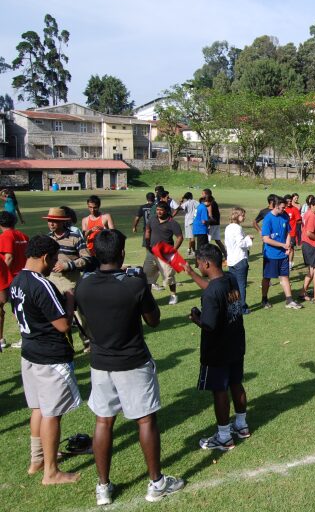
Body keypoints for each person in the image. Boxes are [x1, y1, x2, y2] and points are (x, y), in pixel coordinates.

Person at [75, 230, 185, 504]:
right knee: (145, 419)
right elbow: (154, 320)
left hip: (100, 363)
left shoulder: (84, 285)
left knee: (104, 420)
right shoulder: (133, 284)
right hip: (132, 361)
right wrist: (140, 284)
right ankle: (156, 483)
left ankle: (103, 487)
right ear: (122, 253)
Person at [11, 235, 80, 484]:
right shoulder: (42, 284)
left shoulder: (17, 280)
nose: (53, 265)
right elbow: (62, 325)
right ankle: (51, 471)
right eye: (53, 260)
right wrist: (70, 301)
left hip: (29, 353)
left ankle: (37, 460)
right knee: (52, 413)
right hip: (49, 357)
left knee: (38, 409)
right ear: (45, 257)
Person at [186, 244, 250, 451]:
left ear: (206, 263)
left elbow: (209, 325)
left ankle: (224, 436)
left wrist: (196, 318)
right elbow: (214, 289)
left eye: (198, 264)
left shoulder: (211, 294)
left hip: (217, 351)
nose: (198, 266)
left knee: (219, 391)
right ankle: (241, 425)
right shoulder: (230, 278)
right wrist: (193, 274)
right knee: (236, 383)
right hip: (236, 343)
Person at [260, 195, 301, 309]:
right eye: (282, 207)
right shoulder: (268, 219)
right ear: (276, 206)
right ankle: (264, 299)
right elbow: (266, 239)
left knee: (285, 276)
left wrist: (287, 247)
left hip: (283, 255)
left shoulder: (285, 216)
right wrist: (283, 245)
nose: (284, 209)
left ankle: (289, 300)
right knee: (267, 278)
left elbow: (288, 232)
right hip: (271, 255)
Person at [144, 202, 183, 306]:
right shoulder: (152, 219)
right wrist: (147, 243)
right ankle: (148, 298)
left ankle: (173, 295)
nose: (158, 212)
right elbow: (147, 230)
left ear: (166, 210)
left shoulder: (172, 223)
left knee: (169, 276)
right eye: (157, 210)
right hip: (151, 253)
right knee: (147, 275)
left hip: (165, 255)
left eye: (161, 210)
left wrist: (174, 250)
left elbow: (180, 237)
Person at [0, 211, 28, 349]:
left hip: (11, 278)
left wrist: (3, 273)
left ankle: (3, 339)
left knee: (13, 308)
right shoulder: (23, 235)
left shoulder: (5, 236)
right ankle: (25, 336)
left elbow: (9, 257)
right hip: (24, 275)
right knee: (21, 307)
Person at [224, 207, 253, 315]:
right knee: (241, 285)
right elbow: (241, 243)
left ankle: (234, 305)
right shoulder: (237, 228)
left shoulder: (228, 227)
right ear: (237, 216)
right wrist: (249, 239)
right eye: (243, 215)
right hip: (240, 259)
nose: (244, 217)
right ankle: (242, 307)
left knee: (233, 285)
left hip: (231, 259)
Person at [202, 188, 226, 255]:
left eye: (203, 194)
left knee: (206, 240)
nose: (202, 196)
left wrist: (206, 222)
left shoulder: (210, 203)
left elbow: (210, 215)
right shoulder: (213, 202)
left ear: (207, 195)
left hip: (212, 224)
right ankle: (226, 254)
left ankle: (206, 255)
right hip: (216, 223)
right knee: (217, 240)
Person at [283, 194, 302, 266]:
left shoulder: (294, 209)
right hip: (282, 233)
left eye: (290, 201)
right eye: (287, 201)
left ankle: (290, 263)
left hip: (291, 233)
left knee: (290, 248)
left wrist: (294, 226)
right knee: (283, 247)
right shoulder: (282, 209)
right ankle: (283, 262)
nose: (289, 203)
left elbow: (299, 220)